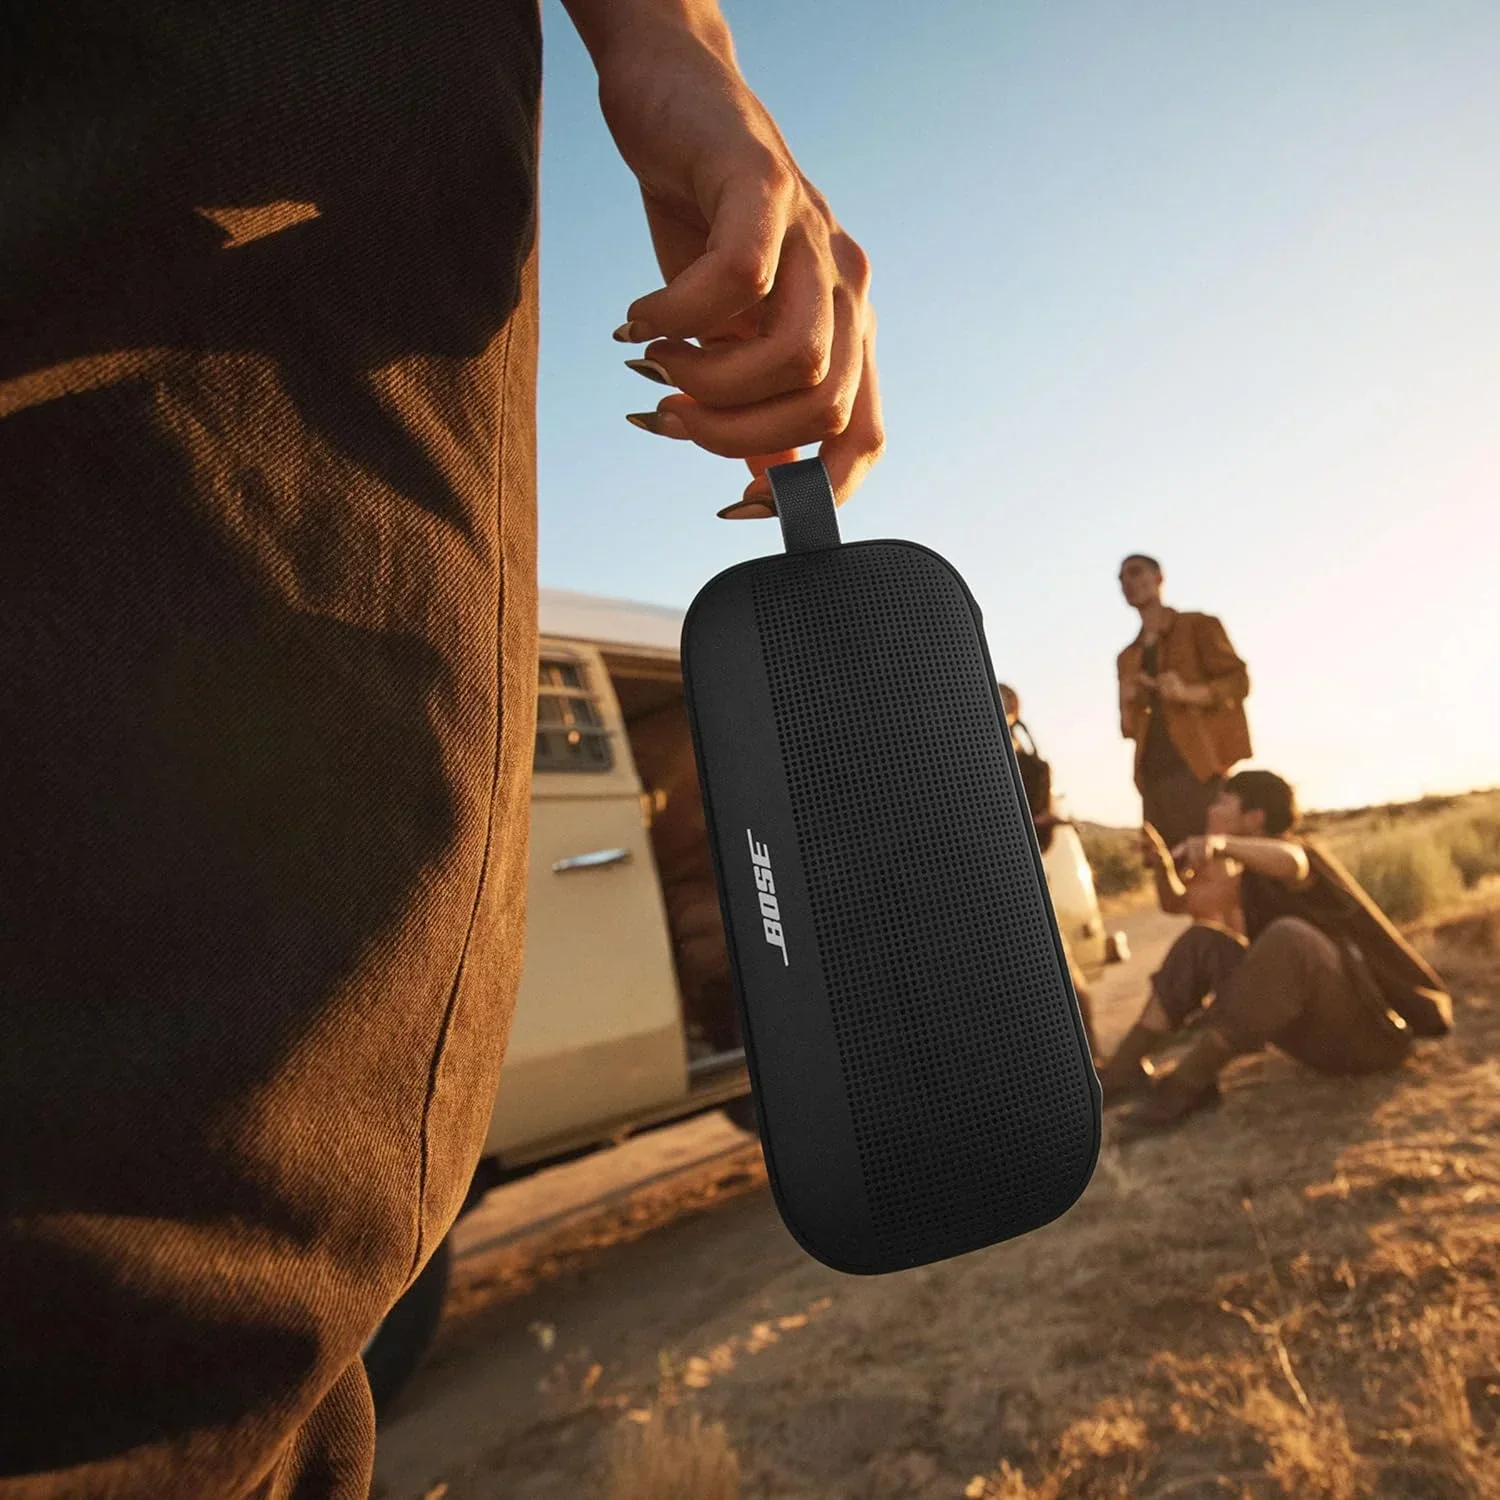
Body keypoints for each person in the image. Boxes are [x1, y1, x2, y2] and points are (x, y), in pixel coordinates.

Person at [0, 1, 883, 1494]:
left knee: (151, 1235)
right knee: (166, 1241)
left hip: (225, 133)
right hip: (256, 165)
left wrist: (669, 41)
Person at [1096, 770, 1454, 1139]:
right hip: (1317, 1039)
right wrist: (1162, 865)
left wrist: (1220, 844)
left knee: (1290, 937)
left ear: (1255, 818)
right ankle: (1123, 1072)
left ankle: (1186, 1086)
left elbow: (1291, 862)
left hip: (1373, 1037)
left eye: (1223, 803)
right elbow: (1181, 903)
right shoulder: (1247, 876)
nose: (1212, 810)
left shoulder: (1300, 855)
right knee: (1202, 940)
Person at [1116, 554, 1252, 869]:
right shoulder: (1127, 657)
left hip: (1199, 769)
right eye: (1121, 578)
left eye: (1135, 572)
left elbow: (1239, 682)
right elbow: (1127, 730)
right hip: (1151, 777)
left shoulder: (1198, 625)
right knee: (1170, 872)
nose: (1128, 582)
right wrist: (1127, 703)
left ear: (1159, 577)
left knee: (1214, 867)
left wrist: (1187, 693)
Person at [997, 683, 1101, 1063]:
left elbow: (1040, 831)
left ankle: (1093, 1059)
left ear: (1013, 713)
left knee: (1060, 970)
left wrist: (1044, 821)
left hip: (1025, 877)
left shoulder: (1035, 769)